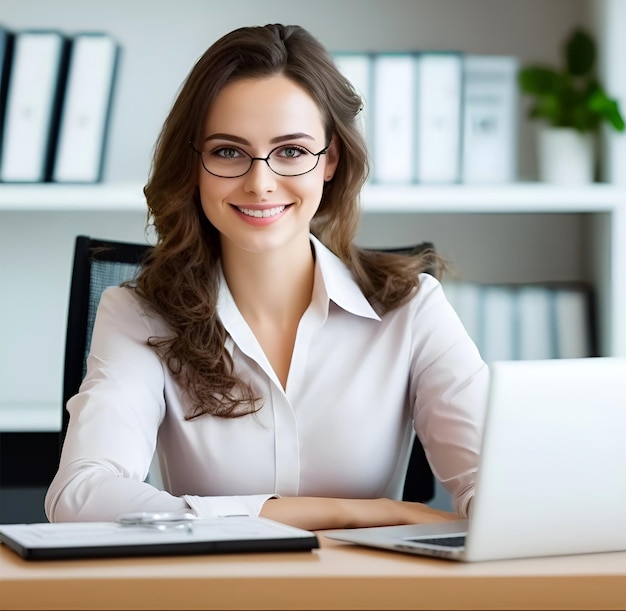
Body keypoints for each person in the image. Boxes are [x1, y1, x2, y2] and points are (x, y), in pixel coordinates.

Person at [45, 23, 489, 530]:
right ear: (194, 164)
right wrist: (354, 513)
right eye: (227, 151)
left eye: (292, 151)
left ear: (331, 160)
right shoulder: (138, 315)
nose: (260, 183)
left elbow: (497, 487)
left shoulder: (412, 308)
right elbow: (80, 497)